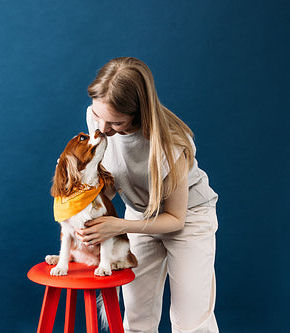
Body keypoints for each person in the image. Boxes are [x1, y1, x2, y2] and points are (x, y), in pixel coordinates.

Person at [77, 57, 219, 333]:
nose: (103, 130)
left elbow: (176, 218)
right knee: (137, 321)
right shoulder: (100, 119)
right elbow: (112, 181)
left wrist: (118, 226)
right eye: (98, 116)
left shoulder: (171, 143)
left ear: (138, 113)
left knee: (191, 324)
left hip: (188, 219)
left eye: (115, 123)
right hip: (139, 212)